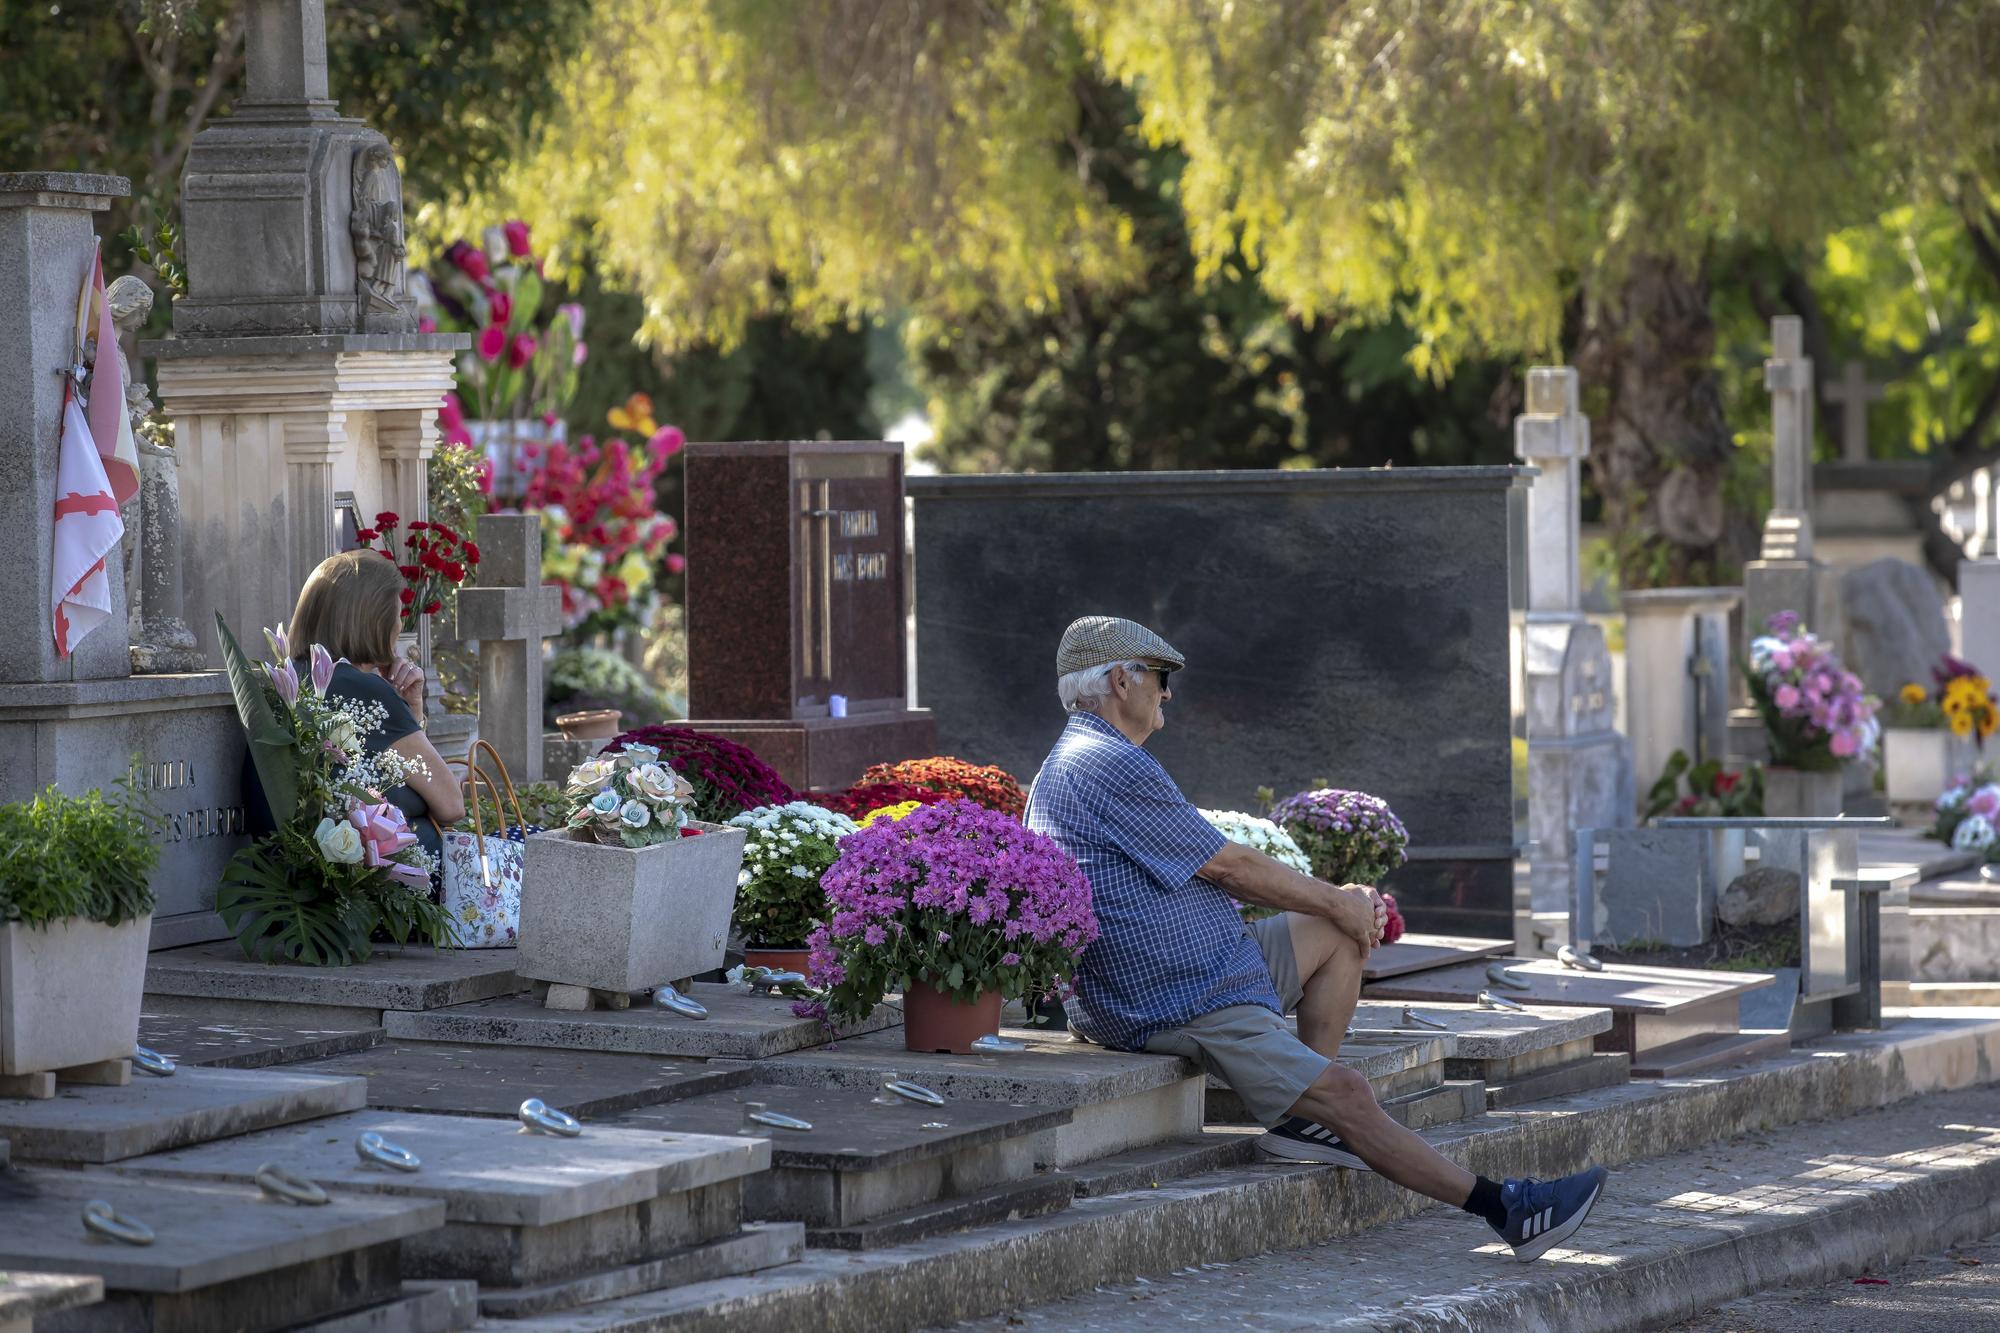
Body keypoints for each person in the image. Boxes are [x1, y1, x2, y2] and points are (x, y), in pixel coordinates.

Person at [1023, 615, 1607, 1263]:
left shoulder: (1089, 756)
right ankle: (1511, 1211)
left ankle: (1300, 1118)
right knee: (1350, 1089)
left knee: (1336, 929)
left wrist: (1343, 907)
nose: (1167, 694)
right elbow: (1229, 867)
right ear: (1118, 678)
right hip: (1178, 996)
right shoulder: (1106, 763)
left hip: (1207, 967)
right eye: (1160, 678)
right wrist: (1338, 896)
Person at [247, 550, 465, 858]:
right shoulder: (364, 690)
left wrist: (409, 710)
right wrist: (395, 705)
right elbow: (451, 804)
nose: (400, 626)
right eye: (397, 614)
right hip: (392, 891)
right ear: (374, 620)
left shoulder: (289, 679)